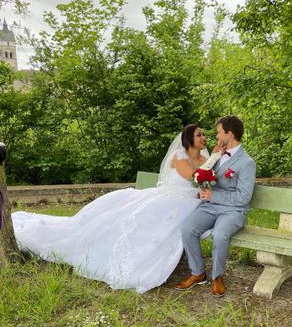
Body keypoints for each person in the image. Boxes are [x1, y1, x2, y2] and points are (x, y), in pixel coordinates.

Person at [12, 125, 215, 294]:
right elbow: (194, 176)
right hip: (171, 199)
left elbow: (205, 182)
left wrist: (210, 170)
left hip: (188, 201)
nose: (204, 138)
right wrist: (213, 160)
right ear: (189, 138)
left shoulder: (202, 159)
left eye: (204, 134)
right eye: (199, 135)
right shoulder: (179, 157)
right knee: (137, 215)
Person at [176, 115, 256, 297]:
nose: (217, 137)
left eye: (220, 133)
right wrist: (205, 187)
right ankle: (198, 272)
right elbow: (204, 176)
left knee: (219, 235)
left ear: (230, 134)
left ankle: (217, 276)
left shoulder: (247, 163)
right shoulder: (217, 155)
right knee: (187, 228)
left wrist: (214, 195)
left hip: (233, 211)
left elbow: (244, 197)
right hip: (210, 207)